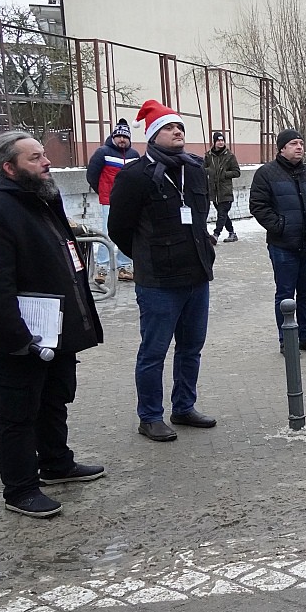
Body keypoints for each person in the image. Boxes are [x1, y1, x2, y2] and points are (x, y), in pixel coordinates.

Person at [0, 131, 106, 518]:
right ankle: (20, 489)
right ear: (9, 167)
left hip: (55, 329)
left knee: (54, 399)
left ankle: (57, 464)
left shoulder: (41, 200)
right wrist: (17, 339)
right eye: (35, 158)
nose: (47, 163)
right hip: (21, 335)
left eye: (44, 155)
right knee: (18, 413)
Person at [109, 100, 217, 442]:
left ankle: (184, 407)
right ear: (154, 135)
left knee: (191, 348)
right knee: (154, 351)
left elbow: (200, 216)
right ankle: (150, 416)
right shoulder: (134, 176)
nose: (178, 132)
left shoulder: (196, 170)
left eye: (181, 127)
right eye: (170, 128)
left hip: (196, 277)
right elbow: (119, 228)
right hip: (158, 282)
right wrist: (146, 256)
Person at [249, 128, 306, 355]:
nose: (299, 147)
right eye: (294, 143)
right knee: (285, 295)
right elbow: (258, 206)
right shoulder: (266, 174)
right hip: (283, 246)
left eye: (301, 143)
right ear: (282, 148)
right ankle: (287, 339)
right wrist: (281, 227)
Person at [85, 119, 139, 282]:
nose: (122, 139)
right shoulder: (102, 152)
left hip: (129, 201)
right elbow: (92, 175)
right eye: (119, 136)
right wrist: (102, 191)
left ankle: (124, 267)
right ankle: (102, 267)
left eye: (125, 137)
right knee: (107, 233)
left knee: (127, 233)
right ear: (114, 137)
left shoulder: (134, 155)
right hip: (109, 200)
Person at [204, 131, 241, 243]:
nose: (221, 142)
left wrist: (225, 174)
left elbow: (237, 172)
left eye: (222, 140)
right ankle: (232, 233)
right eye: (218, 140)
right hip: (214, 191)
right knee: (223, 215)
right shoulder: (208, 155)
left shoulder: (229, 156)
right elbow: (202, 169)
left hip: (225, 191)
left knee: (222, 213)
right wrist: (209, 171)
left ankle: (215, 235)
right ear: (214, 142)